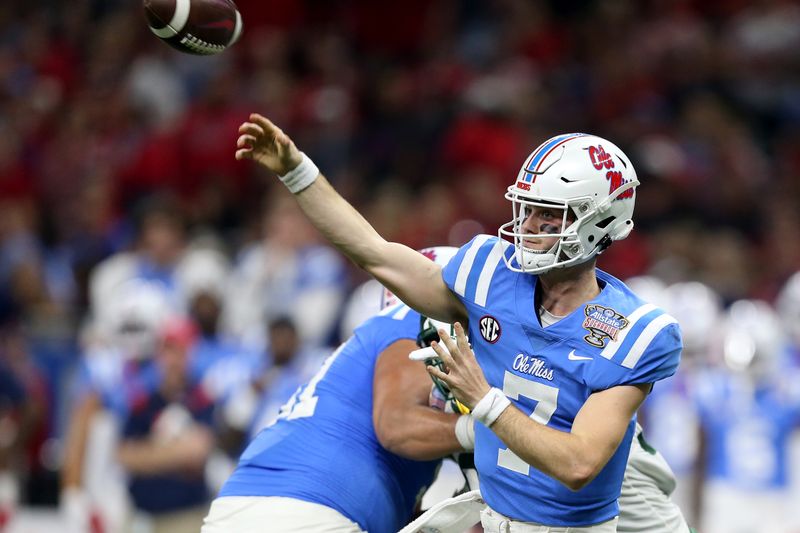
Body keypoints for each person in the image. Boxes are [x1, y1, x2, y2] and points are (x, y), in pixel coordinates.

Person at [234, 115, 683, 531]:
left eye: (548, 214)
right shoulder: (491, 276)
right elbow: (374, 252)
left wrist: (483, 402)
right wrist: (297, 172)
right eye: (526, 209)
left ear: (600, 221)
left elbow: (579, 464)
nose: (528, 226)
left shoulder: (631, 330)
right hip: (496, 516)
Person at [202, 246, 474, 533]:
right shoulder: (416, 320)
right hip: (309, 508)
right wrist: (487, 428)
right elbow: (396, 426)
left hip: (256, 503)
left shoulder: (374, 349)